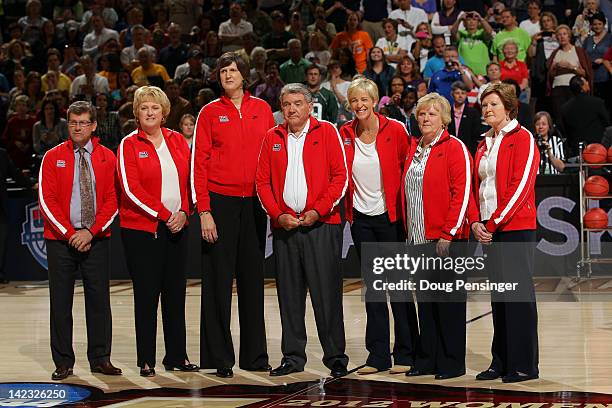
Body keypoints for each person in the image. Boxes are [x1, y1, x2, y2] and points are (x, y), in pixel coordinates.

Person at [255, 83, 349, 378]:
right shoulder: (272, 137)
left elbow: (340, 178)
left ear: (310, 107)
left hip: (320, 225)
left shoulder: (327, 132)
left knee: (327, 296)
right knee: (289, 296)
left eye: (297, 103)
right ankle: (293, 357)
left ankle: (335, 358)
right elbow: (262, 183)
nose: (292, 109)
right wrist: (278, 214)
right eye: (286, 104)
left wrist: (317, 210)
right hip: (285, 228)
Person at [192, 52, 273, 378]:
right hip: (220, 204)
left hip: (254, 204)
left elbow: (272, 156)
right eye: (223, 70)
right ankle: (218, 357)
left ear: (244, 75)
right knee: (217, 283)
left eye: (233, 70)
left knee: (253, 282)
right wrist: (205, 211)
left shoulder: (262, 109)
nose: (228, 75)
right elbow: (198, 163)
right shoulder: (209, 112)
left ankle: (255, 357)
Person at [116, 86, 197, 378]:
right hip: (142, 231)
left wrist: (185, 213)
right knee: (147, 295)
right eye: (144, 108)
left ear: (164, 112)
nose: (150, 113)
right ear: (136, 113)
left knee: (175, 294)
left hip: (179, 226)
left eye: (155, 108)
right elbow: (130, 189)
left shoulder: (177, 140)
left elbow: (189, 181)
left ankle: (177, 355)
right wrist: (165, 215)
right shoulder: (128, 144)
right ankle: (146, 359)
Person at [38, 100, 121, 381]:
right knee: (60, 303)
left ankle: (100, 359)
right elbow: (46, 201)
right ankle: (63, 361)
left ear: (94, 125)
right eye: (73, 122)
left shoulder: (108, 157)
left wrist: (91, 232)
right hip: (61, 241)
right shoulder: (52, 156)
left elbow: (112, 200)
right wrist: (70, 233)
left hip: (95, 239)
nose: (77, 127)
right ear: (67, 123)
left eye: (83, 122)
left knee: (99, 301)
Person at [340, 77, 418, 375]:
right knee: (374, 289)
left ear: (375, 101)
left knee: (398, 287)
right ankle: (377, 356)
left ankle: (407, 353)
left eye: (364, 99)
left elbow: (409, 168)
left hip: (391, 219)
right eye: (354, 101)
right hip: (361, 220)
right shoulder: (344, 132)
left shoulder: (395, 129)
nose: (359, 105)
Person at [471, 82, 540, 384]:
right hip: (488, 229)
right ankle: (501, 360)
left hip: (513, 229)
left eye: (493, 104)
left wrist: (493, 223)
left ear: (509, 107)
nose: (487, 110)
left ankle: (524, 365)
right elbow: (477, 187)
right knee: (499, 299)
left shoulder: (523, 138)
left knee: (518, 299)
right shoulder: (483, 142)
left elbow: (520, 186)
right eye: (484, 105)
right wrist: (476, 221)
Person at [401, 92, 471, 380]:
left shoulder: (454, 147)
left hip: (446, 240)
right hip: (417, 238)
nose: (426, 118)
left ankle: (451, 362)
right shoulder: (414, 149)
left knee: (449, 304)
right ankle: (427, 358)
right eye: (421, 114)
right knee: (427, 304)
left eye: (431, 113)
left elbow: (462, 192)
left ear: (443, 118)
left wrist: (449, 233)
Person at [547, 25, 592, 126]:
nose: (562, 37)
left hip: (574, 88)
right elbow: (550, 76)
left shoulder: (578, 51)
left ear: (569, 36)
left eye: (564, 34)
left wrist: (571, 67)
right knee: (559, 117)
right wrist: (554, 68)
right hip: (558, 89)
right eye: (559, 35)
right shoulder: (555, 53)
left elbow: (585, 73)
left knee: (575, 116)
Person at [560, 75, 610, 156]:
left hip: (576, 150)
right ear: (582, 87)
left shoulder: (565, 108)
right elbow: (607, 123)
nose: (588, 83)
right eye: (586, 81)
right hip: (598, 150)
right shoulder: (597, 102)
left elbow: (566, 131)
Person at [582, 13, 612, 113]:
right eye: (595, 24)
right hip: (591, 76)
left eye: (599, 24)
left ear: (604, 25)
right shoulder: (588, 40)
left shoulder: (610, 38)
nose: (597, 26)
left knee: (606, 105)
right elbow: (583, 56)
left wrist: (603, 60)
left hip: (606, 77)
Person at [453, 11, 493, 76]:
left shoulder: (482, 33)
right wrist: (459, 19)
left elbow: (489, 32)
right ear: (464, 23)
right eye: (468, 20)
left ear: (478, 22)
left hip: (483, 72)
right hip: (465, 72)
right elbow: (453, 32)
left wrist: (480, 18)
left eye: (474, 20)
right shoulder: (461, 33)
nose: (471, 22)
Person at [448, 81, 482, 155]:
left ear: (466, 95)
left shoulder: (473, 113)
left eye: (463, 93)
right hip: (449, 150)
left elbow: (476, 135)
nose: (460, 96)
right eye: (457, 93)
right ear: (452, 94)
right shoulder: (447, 112)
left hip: (468, 151)